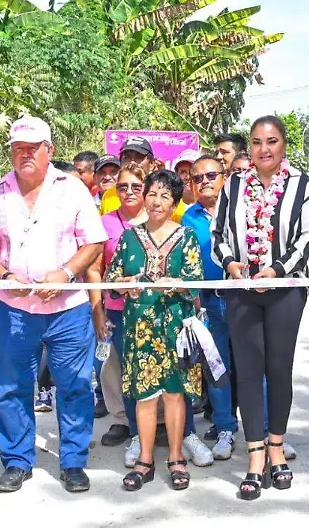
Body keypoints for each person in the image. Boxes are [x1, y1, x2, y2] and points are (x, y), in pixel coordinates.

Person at [0, 116, 106, 494]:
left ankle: (74, 461)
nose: (25, 154)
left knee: (75, 386)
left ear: (50, 150)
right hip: (15, 310)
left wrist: (65, 272)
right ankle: (17, 461)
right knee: (12, 387)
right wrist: (2, 277)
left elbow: (93, 242)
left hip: (68, 308)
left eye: (33, 147)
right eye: (19, 148)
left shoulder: (73, 189)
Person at [213, 115, 309, 501]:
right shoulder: (234, 185)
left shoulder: (302, 185)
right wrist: (231, 264)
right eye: (256, 142)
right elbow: (219, 234)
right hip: (242, 289)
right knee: (248, 370)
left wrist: (276, 269)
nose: (264, 149)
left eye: (271, 141)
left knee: (278, 368)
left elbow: (307, 238)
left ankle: (276, 446)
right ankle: (254, 453)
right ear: (249, 149)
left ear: (284, 145)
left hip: (285, 290)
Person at [106, 169, 204, 491]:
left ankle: (176, 457)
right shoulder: (129, 237)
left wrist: (179, 284)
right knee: (145, 396)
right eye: (152, 193)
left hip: (176, 327)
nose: (156, 201)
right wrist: (124, 284)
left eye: (165, 195)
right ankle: (145, 460)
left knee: (175, 394)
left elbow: (195, 283)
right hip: (140, 326)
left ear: (174, 201)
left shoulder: (186, 236)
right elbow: (111, 281)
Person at [181, 155, 240, 460]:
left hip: (244, 299)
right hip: (208, 303)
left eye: (211, 175)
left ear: (225, 177)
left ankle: (270, 433)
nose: (204, 182)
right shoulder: (187, 218)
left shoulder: (241, 211)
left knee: (255, 368)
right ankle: (225, 428)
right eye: (197, 178)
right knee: (217, 369)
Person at [89, 164, 146, 456]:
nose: (129, 192)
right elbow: (95, 269)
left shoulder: (158, 217)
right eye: (122, 187)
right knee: (113, 368)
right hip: (114, 308)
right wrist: (97, 310)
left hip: (151, 310)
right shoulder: (105, 223)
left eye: (136, 186)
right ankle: (122, 421)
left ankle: (152, 424)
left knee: (148, 367)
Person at [99, 136, 156, 214]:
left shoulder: (161, 194)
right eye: (127, 157)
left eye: (139, 157)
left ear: (151, 164)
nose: (132, 162)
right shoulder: (109, 194)